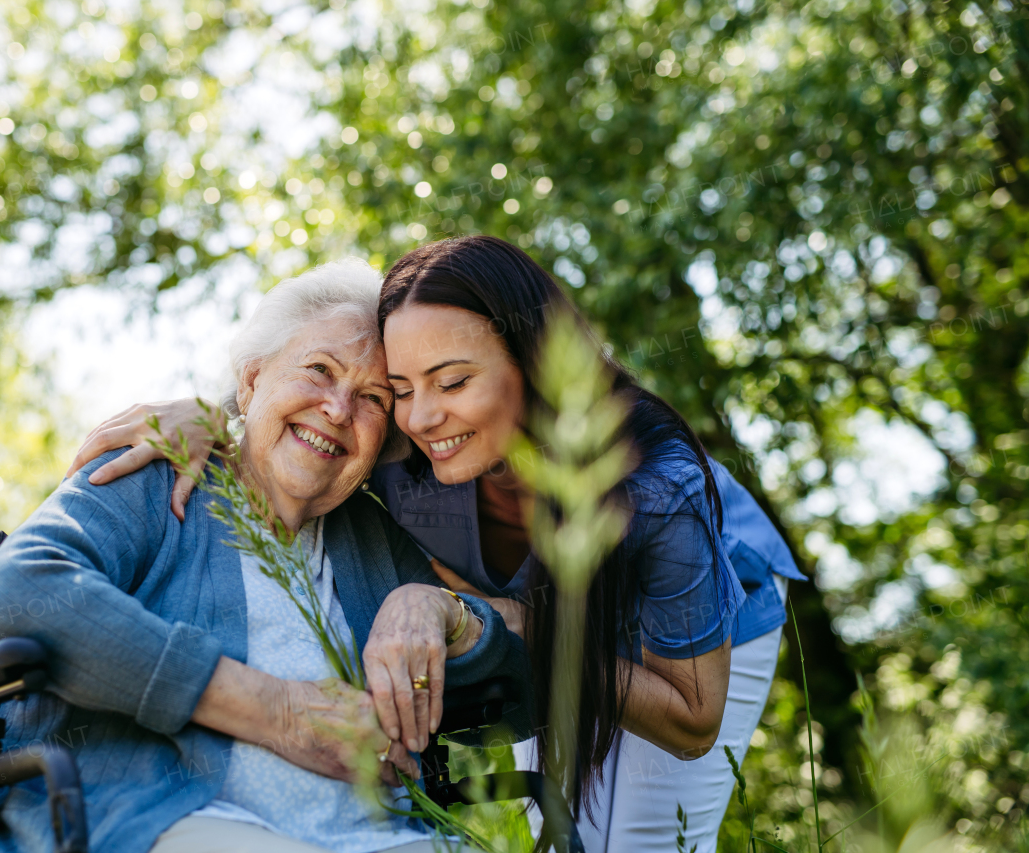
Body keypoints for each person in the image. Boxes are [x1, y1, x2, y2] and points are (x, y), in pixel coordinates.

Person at [71, 237, 807, 853]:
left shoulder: (657, 488)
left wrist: (514, 621)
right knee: (557, 833)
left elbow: (691, 722)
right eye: (402, 388)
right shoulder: (406, 443)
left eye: (453, 382)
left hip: (690, 639)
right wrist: (216, 413)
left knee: (643, 842)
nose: (420, 417)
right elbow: (309, 398)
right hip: (548, 621)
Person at [0, 258, 527, 853]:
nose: (338, 409)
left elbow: (517, 702)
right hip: (160, 825)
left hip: (379, 837)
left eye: (373, 399)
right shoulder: (157, 476)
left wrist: (441, 611)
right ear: (251, 382)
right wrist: (277, 711)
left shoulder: (370, 539)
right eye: (318, 369)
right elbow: (11, 598)